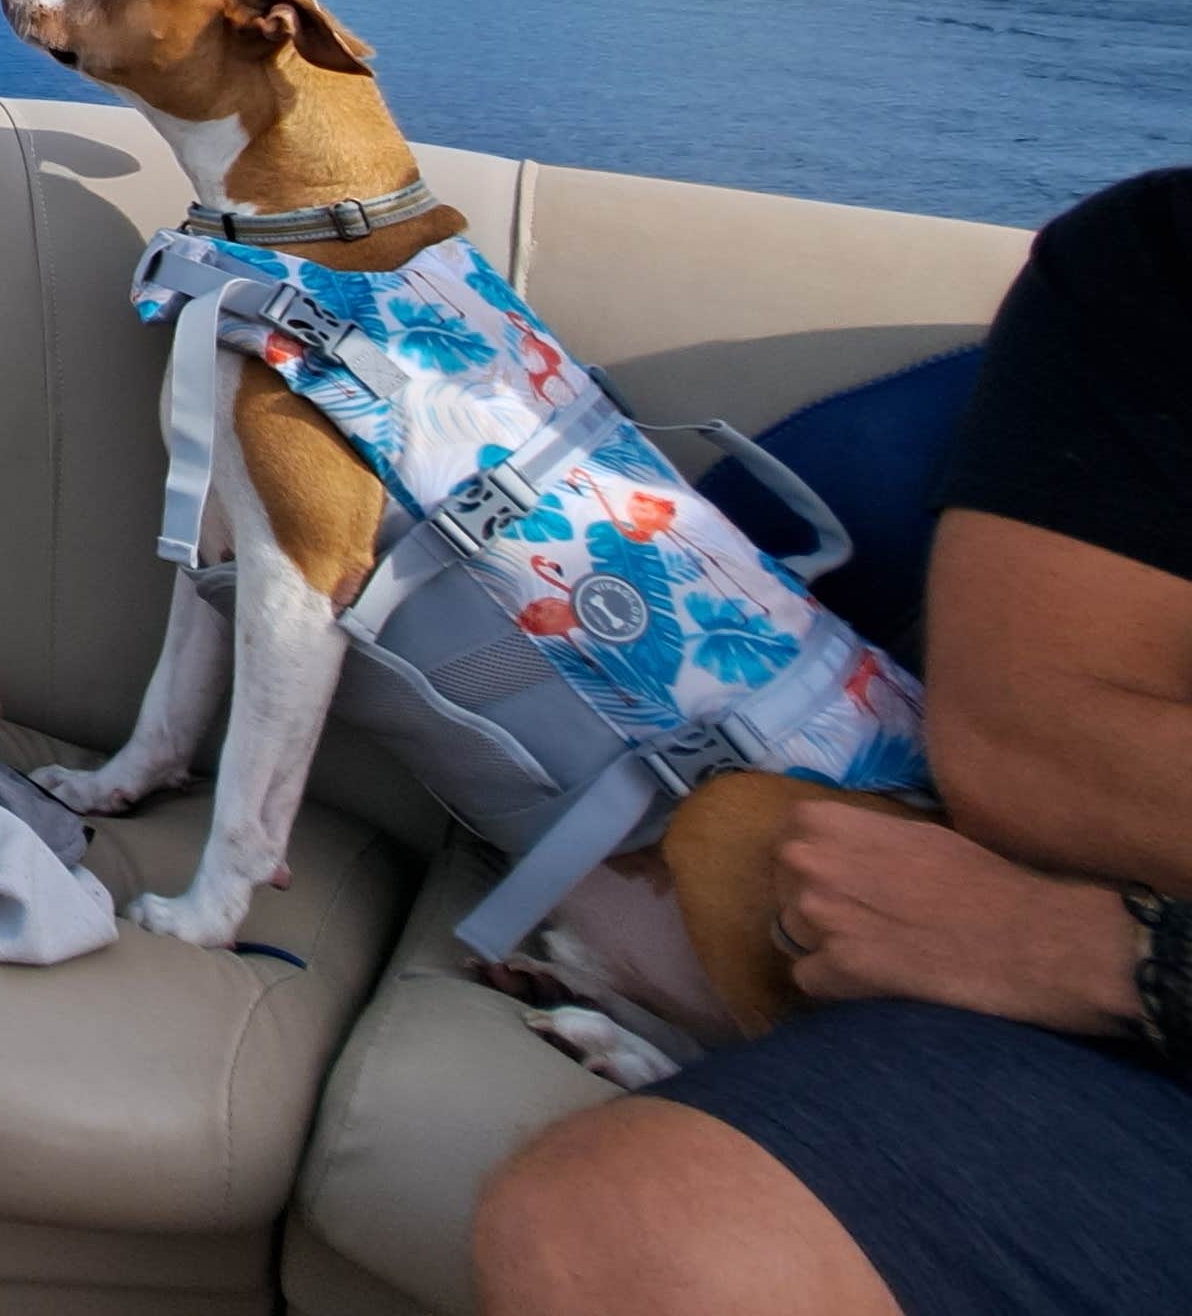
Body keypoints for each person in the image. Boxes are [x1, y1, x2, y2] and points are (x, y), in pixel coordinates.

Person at [474, 167, 1192, 1316]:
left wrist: (1127, 958)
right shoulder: (1158, 263)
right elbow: (1043, 748)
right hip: (1130, 1062)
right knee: (636, 1223)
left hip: (1120, 966)